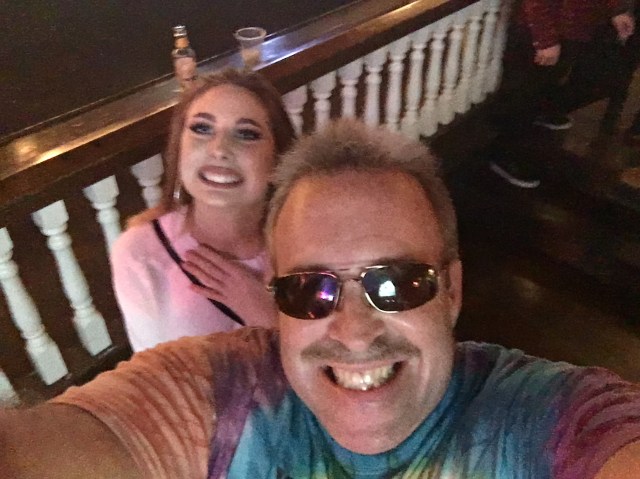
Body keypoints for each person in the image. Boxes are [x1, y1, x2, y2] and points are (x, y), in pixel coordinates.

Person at [2, 119, 640, 478]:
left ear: (452, 292)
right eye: (311, 290)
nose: (355, 330)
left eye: (396, 284)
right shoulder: (218, 393)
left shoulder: (546, 417)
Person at [110, 69, 296, 352]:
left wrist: (266, 315)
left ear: (278, 157)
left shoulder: (306, 242)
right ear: (179, 147)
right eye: (201, 128)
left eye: (247, 134)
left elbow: (337, 361)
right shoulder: (140, 254)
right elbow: (160, 373)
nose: (219, 149)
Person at [488, 0, 635, 188]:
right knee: (523, 93)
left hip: (574, 27)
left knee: (544, 85)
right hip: (539, 29)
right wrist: (545, 39)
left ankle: (535, 117)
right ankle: (503, 154)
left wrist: (617, 9)